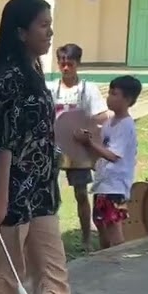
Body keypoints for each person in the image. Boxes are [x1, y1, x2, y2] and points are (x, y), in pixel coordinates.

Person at [0, 0, 113, 294]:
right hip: (9, 187)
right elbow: (1, 144)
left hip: (40, 188)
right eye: (43, 25)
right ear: (21, 32)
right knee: (9, 269)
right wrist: (0, 201)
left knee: (52, 265)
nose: (50, 33)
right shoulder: (7, 79)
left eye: (50, 25)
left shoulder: (33, 71)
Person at [51, 43, 109, 252]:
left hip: (79, 147)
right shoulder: (51, 89)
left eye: (70, 64)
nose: (66, 68)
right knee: (50, 194)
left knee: (81, 193)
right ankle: (51, 237)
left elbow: (102, 115)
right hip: (55, 146)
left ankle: (86, 237)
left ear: (78, 64)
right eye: (62, 63)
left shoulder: (88, 89)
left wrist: (86, 128)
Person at [82, 75, 142, 249]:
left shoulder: (126, 125)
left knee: (114, 226)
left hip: (115, 187)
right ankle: (104, 258)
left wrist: (90, 143)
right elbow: (101, 150)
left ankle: (119, 260)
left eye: (115, 94)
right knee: (101, 224)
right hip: (103, 184)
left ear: (128, 99)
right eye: (109, 93)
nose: (109, 98)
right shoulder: (109, 123)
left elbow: (113, 156)